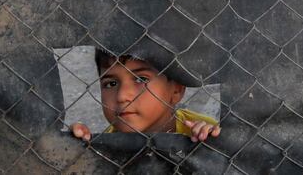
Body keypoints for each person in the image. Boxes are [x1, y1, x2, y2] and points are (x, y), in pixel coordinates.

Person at [70, 49, 220, 143]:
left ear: (176, 91)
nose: (122, 96)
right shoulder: (106, 144)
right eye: (111, 84)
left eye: (141, 79)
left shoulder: (198, 129)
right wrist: (79, 145)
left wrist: (211, 139)